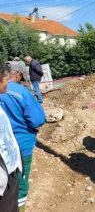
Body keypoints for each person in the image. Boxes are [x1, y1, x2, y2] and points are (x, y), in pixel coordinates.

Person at [0, 62, 46, 211]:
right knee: (20, 184)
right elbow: (38, 119)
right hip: (20, 145)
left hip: (3, 151)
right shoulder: (21, 91)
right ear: (17, 74)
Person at [0, 63, 23, 212]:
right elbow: (37, 118)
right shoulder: (22, 92)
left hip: (10, 171)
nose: (8, 81)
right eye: (6, 78)